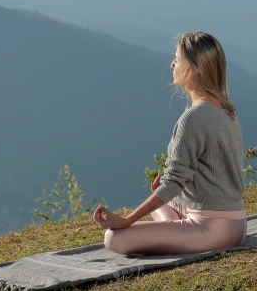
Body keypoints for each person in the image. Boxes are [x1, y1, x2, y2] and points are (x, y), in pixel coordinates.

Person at [93, 31, 246, 255]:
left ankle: (170, 228)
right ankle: (173, 224)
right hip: (234, 222)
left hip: (212, 228)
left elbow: (175, 181)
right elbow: (211, 174)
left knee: (114, 238)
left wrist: (128, 220)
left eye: (178, 59)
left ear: (193, 68)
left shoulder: (194, 118)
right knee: (162, 202)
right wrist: (172, 194)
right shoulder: (224, 110)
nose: (172, 63)